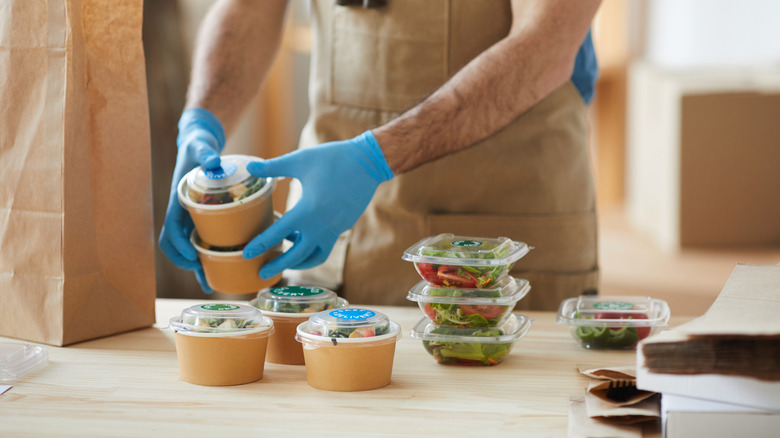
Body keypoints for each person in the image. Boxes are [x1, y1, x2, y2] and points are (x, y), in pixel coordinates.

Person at [159, 0, 602, 310]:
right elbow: (250, 6)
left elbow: (544, 46)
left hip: (494, 245)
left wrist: (374, 157)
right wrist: (202, 120)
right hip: (335, 241)